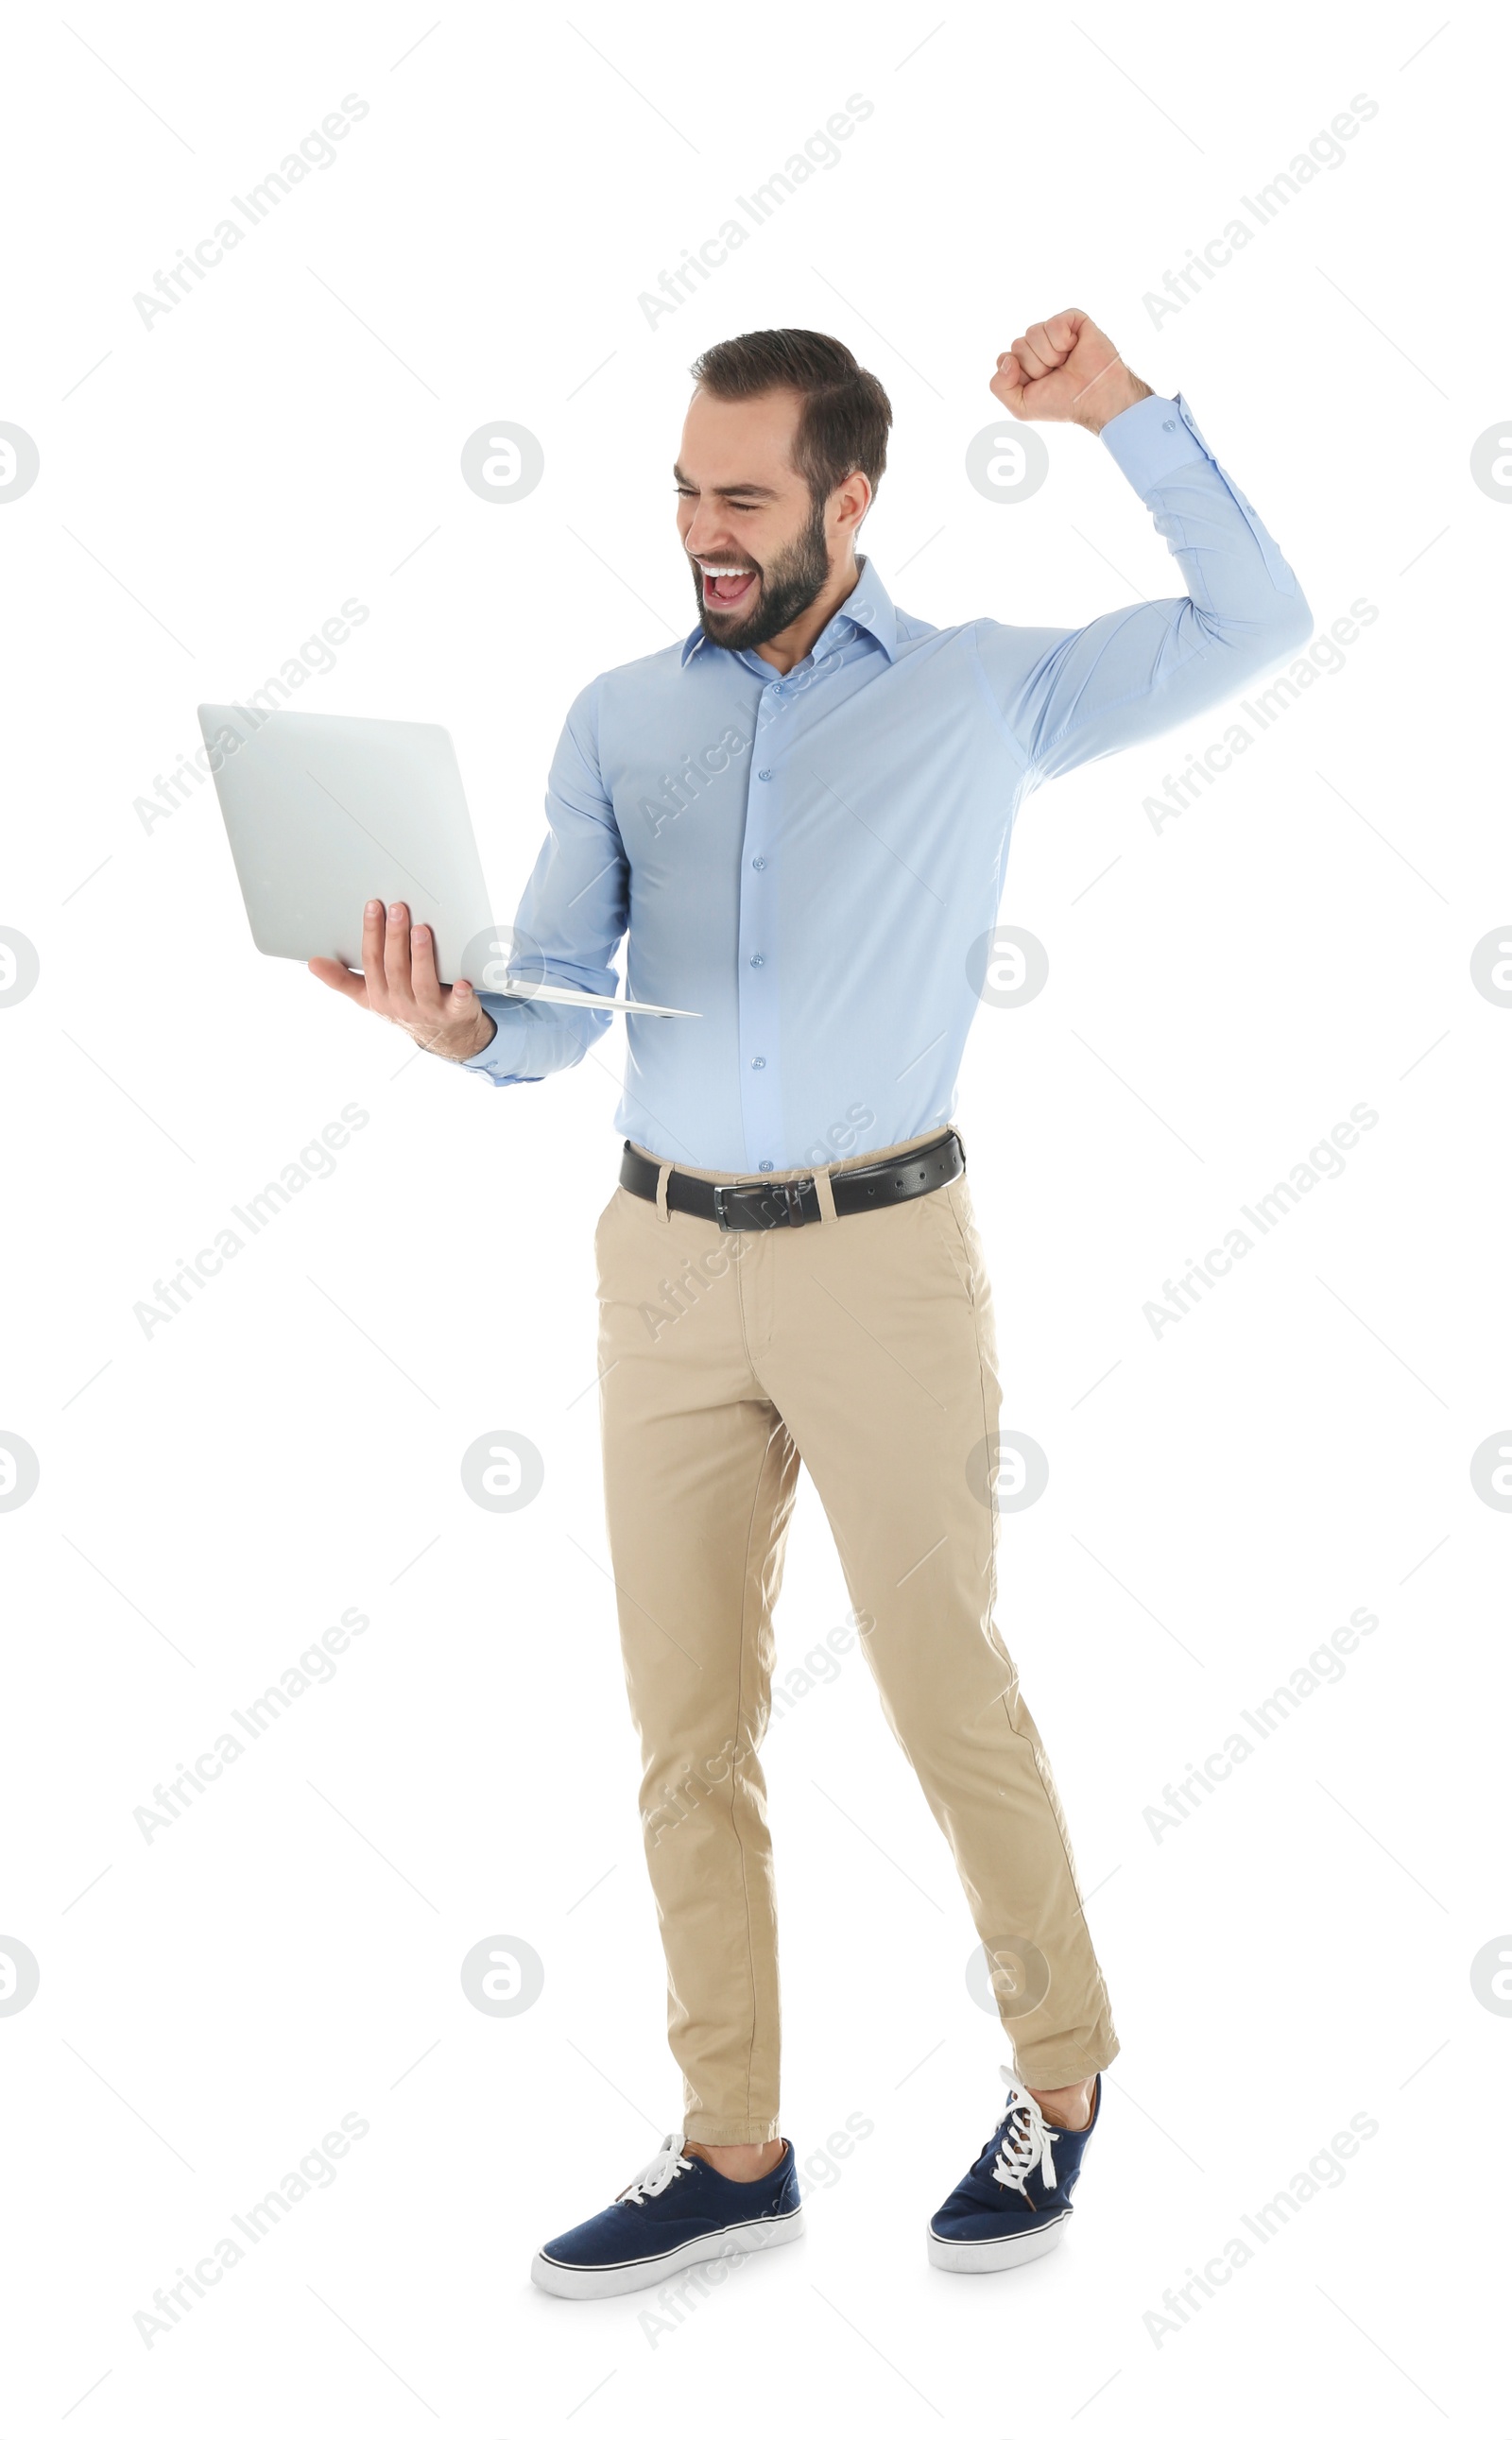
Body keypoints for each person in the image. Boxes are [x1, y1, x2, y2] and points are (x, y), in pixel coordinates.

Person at [311, 312, 1311, 2294]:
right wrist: (451, 1027)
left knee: (947, 1699)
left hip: (883, 1264)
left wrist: (1119, 414)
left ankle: (1062, 2072)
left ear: (848, 498)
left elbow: (1253, 619)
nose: (702, 526)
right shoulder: (616, 717)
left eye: (743, 496)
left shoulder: (977, 691)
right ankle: (731, 2141)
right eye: (685, 489)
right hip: (660, 1266)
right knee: (686, 1730)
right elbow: (560, 998)